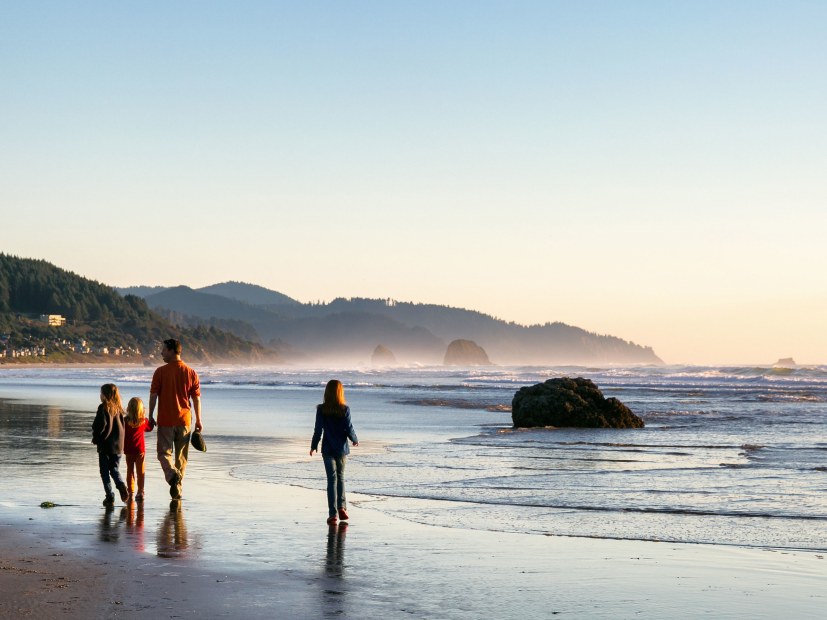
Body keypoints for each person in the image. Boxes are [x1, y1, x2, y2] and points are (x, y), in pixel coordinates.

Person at [148, 338, 202, 500]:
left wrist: (150, 415)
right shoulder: (191, 372)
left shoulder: (160, 372)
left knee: (164, 453)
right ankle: (177, 487)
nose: (161, 353)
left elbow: (153, 395)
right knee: (181, 458)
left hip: (166, 420)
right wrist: (199, 419)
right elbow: (196, 399)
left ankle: (172, 477)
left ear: (172, 351)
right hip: (185, 420)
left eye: (164, 350)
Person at [310, 380, 359, 525]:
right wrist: (354, 439)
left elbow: (318, 430)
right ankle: (342, 507)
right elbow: (349, 428)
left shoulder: (321, 409)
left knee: (331, 480)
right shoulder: (344, 409)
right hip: (341, 449)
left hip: (327, 449)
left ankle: (332, 514)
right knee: (341, 477)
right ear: (340, 392)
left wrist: (313, 445)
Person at [91, 383, 129, 506]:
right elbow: (123, 428)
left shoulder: (103, 408)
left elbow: (100, 426)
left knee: (104, 472)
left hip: (105, 446)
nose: (100, 395)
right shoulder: (119, 409)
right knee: (114, 470)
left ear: (105, 395)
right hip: (118, 446)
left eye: (101, 393)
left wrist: (96, 438)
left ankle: (109, 496)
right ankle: (121, 485)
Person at [124, 397, 154, 502]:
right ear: (141, 409)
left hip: (128, 449)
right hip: (139, 450)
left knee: (130, 470)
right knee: (140, 471)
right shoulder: (143, 421)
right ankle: (140, 491)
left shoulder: (125, 421)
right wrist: (152, 422)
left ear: (128, 408)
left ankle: (130, 491)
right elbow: (149, 428)